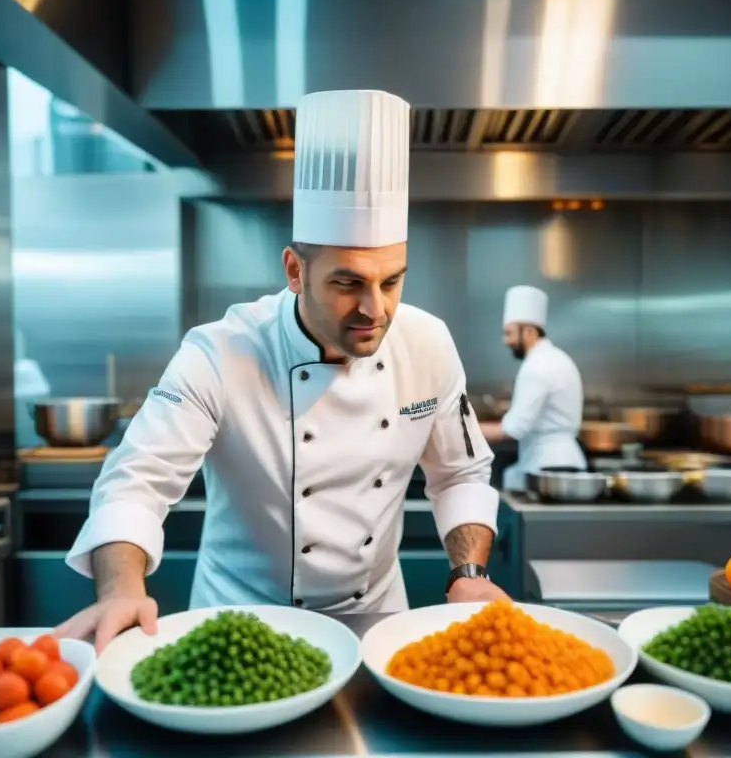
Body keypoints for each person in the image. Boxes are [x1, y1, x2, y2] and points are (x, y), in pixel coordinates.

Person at [55, 89, 510, 652]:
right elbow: (136, 480)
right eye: (347, 283)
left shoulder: (428, 343)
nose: (376, 309)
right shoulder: (219, 354)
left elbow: (460, 474)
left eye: (391, 281)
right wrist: (120, 588)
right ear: (295, 270)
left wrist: (470, 576)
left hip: (377, 625)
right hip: (239, 626)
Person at [479, 286, 586, 491]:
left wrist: (465, 430)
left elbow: (514, 428)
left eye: (509, 333)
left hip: (550, 468)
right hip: (562, 463)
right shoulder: (557, 358)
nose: (505, 341)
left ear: (529, 331)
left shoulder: (537, 366)